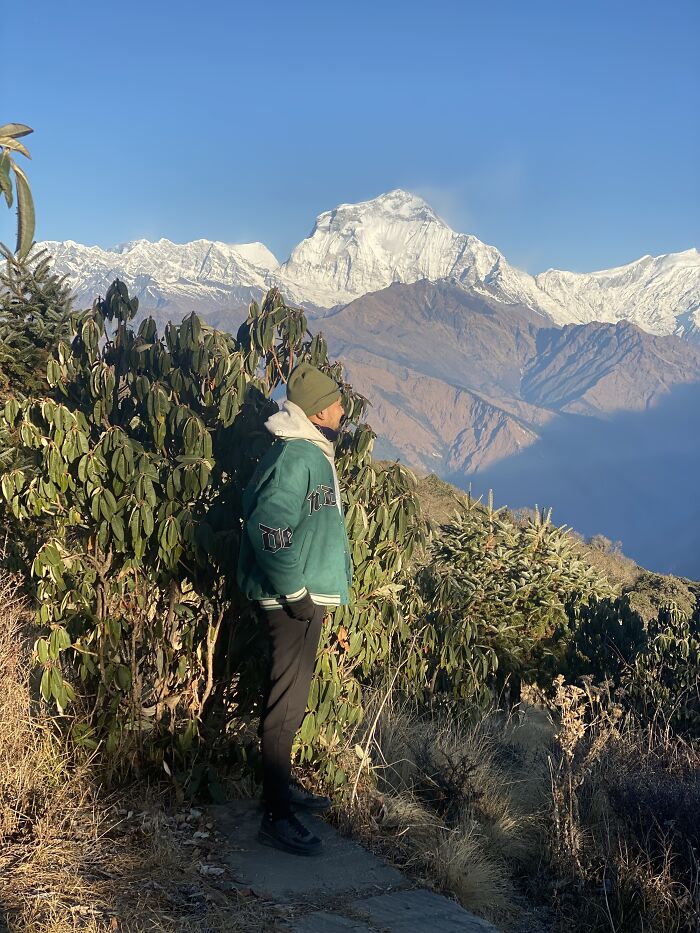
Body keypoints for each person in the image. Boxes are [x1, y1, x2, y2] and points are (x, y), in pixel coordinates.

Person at [236, 362, 352, 856]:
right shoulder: (296, 457)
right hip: (291, 601)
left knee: (293, 700)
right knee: (285, 705)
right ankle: (276, 818)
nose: (344, 409)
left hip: (301, 596)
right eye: (337, 401)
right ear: (317, 409)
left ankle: (282, 791)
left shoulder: (311, 452)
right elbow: (268, 526)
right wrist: (297, 592)